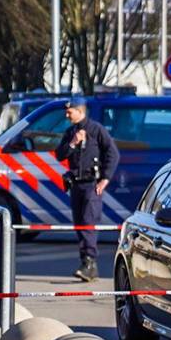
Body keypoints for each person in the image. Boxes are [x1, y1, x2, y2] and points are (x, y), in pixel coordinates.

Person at [55, 99, 119, 281]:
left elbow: (112, 153)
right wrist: (73, 143)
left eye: (70, 112)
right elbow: (60, 155)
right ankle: (88, 265)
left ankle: (89, 262)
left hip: (92, 184)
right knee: (79, 224)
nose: (67, 116)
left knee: (88, 222)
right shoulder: (70, 133)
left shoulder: (96, 130)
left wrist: (105, 179)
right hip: (76, 185)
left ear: (80, 111)